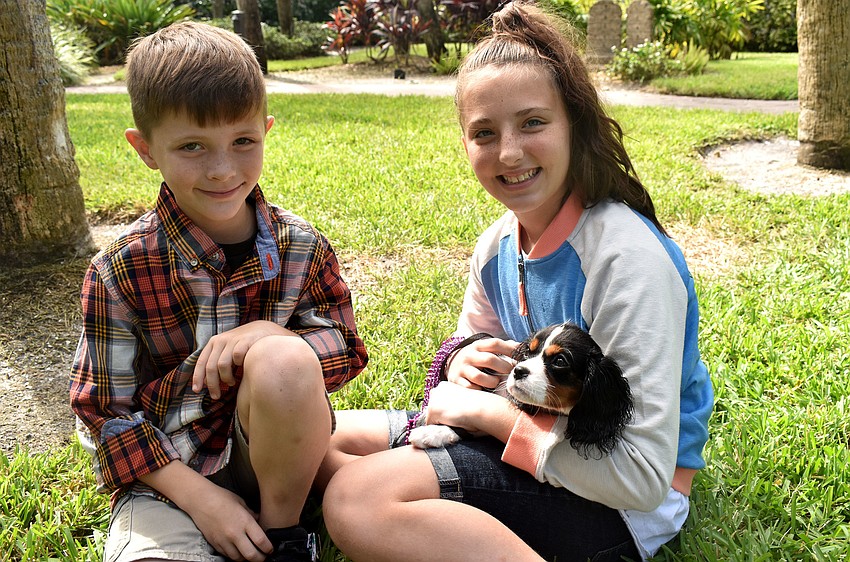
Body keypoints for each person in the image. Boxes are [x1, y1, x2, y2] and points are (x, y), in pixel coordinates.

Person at [316, 2, 713, 561]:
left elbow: (641, 477)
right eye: (484, 132)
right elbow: (467, 357)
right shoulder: (496, 246)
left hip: (617, 496)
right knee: (314, 436)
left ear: (574, 123)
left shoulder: (626, 260)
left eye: (533, 123)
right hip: (524, 427)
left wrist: (487, 415)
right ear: (464, 144)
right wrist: (461, 361)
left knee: (357, 499)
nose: (508, 152)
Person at [69, 21, 368, 562]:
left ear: (266, 131)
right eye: (192, 146)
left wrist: (270, 336)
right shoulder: (119, 269)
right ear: (145, 148)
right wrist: (203, 499)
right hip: (170, 476)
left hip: (279, 461)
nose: (223, 169)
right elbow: (103, 412)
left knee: (282, 356)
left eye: (243, 141)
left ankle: (283, 538)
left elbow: (345, 347)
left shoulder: (301, 246)